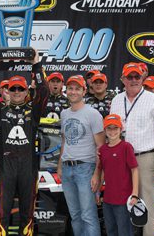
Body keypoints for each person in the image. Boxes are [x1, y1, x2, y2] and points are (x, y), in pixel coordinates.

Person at [0, 50, 49, 235]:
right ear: (7, 92)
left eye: (21, 88)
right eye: (13, 89)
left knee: (27, 215)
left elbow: (44, 91)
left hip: (28, 169)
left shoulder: (33, 111)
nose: (17, 92)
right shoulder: (0, 110)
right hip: (6, 170)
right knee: (1, 215)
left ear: (27, 90)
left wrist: (36, 63)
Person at [110, 63, 154, 236]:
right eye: (129, 77)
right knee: (123, 203)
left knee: (147, 205)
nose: (133, 80)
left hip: (144, 158)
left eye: (137, 77)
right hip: (121, 159)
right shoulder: (116, 100)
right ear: (122, 79)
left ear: (143, 78)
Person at [57, 75, 105, 236]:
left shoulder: (93, 114)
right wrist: (60, 166)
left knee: (88, 215)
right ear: (66, 91)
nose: (73, 92)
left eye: (77, 88)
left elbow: (101, 147)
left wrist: (97, 174)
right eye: (70, 88)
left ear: (84, 91)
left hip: (85, 168)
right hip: (67, 168)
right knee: (75, 216)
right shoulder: (64, 114)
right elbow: (65, 142)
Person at [96, 114, 138, 236]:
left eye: (115, 128)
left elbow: (135, 170)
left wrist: (135, 194)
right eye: (109, 128)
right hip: (108, 200)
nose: (112, 131)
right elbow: (102, 171)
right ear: (104, 130)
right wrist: (98, 191)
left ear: (121, 129)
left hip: (124, 200)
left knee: (125, 231)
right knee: (111, 231)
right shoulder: (103, 150)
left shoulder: (126, 147)